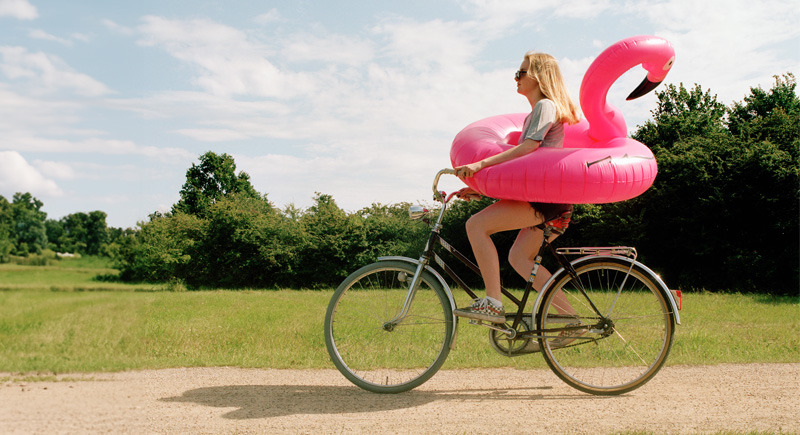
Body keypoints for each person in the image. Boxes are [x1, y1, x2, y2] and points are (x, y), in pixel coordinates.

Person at [453, 52, 581, 324]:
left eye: (521, 72)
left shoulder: (545, 106)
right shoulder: (540, 111)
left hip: (543, 201)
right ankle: (571, 320)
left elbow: (528, 149)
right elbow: (524, 173)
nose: (516, 77)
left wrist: (479, 165)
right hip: (549, 200)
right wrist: (482, 190)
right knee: (519, 257)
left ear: (538, 76)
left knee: (476, 226)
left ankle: (492, 303)